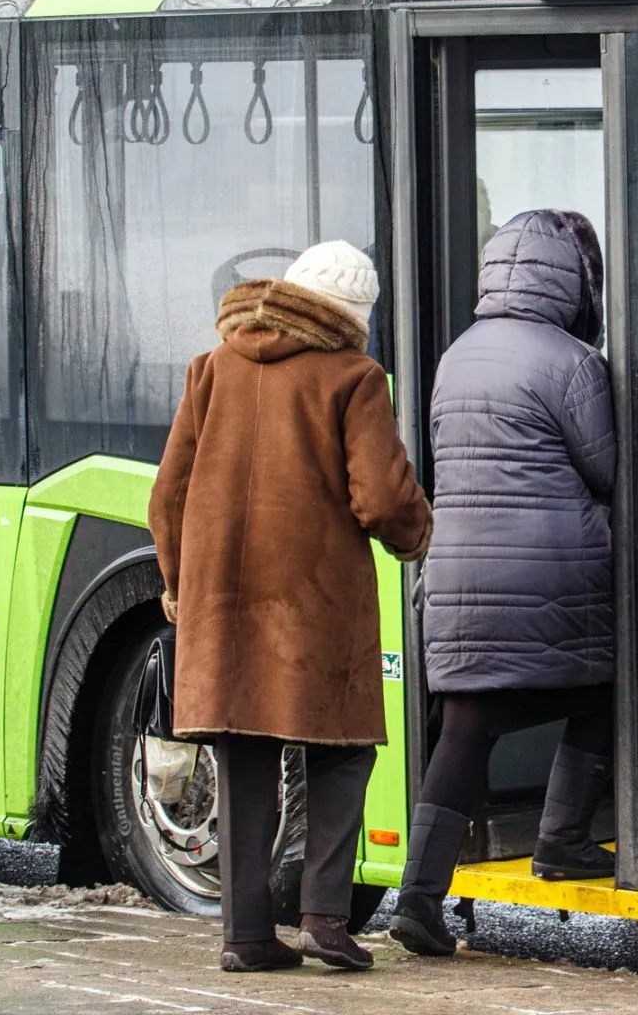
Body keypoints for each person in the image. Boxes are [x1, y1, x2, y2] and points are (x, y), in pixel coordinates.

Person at [148, 240, 432, 974]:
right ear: (353, 314)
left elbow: (168, 495)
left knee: (243, 755)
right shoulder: (354, 378)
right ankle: (325, 919)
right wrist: (416, 537)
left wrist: (179, 583)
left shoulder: (211, 368)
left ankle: (244, 935)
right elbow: (382, 496)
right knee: (341, 753)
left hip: (220, 603)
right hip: (315, 603)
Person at [388, 209, 616, 958]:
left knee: (467, 727)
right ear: (572, 282)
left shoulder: (457, 356)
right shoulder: (573, 363)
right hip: (548, 569)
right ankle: (562, 837)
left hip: (458, 572)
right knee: (607, 692)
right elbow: (608, 470)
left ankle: (419, 899)